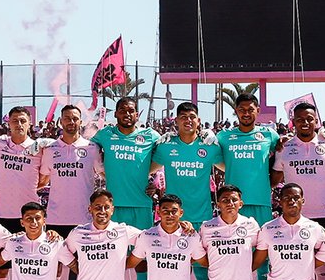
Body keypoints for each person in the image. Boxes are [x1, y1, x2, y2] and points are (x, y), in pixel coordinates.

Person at [91, 94, 162, 232]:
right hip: (113, 206)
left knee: (141, 251)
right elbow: (87, 149)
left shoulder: (150, 135)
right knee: (115, 251)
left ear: (137, 115)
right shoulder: (105, 134)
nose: (127, 114)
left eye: (131, 111)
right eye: (123, 111)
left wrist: (156, 181)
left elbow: (167, 153)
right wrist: (102, 172)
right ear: (116, 114)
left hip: (141, 204)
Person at [151, 102, 222, 236]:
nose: (188, 120)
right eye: (183, 117)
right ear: (176, 120)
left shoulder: (210, 145)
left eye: (192, 117)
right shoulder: (165, 146)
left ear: (198, 120)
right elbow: (146, 170)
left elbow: (230, 167)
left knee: (202, 257)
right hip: (174, 218)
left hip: (203, 217)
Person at [129, 194, 199, 280]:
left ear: (181, 213)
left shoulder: (191, 236)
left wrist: (185, 260)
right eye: (165, 211)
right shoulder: (147, 236)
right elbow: (130, 263)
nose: (170, 215)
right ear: (158, 212)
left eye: (174, 211)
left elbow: (205, 261)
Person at [216, 93, 282, 227]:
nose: (246, 113)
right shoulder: (223, 136)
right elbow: (214, 158)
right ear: (236, 111)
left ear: (258, 110)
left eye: (250, 109)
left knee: (262, 245)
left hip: (261, 200)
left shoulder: (269, 134)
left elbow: (282, 154)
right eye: (242, 110)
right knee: (236, 245)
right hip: (233, 202)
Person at [36, 104, 100, 234]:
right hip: (56, 221)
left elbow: (106, 175)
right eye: (67, 118)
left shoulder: (92, 148)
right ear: (60, 122)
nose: (71, 121)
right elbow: (42, 181)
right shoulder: (49, 149)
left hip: (85, 220)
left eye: (75, 118)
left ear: (81, 122)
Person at [274, 102, 325, 224]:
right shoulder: (284, 147)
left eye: (309, 119)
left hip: (323, 214)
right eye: (300, 119)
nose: (305, 123)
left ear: (316, 121)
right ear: (293, 122)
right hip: (293, 215)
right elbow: (274, 182)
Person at [0, 106, 42, 231]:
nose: (19, 124)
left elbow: (45, 178)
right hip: (3, 214)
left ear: (30, 123)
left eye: (23, 121)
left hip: (31, 214)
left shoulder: (39, 147)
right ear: (8, 123)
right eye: (15, 121)